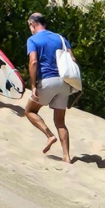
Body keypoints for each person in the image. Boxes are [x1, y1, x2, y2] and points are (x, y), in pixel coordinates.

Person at [24, 13, 75, 163]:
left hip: (47, 80)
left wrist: (33, 86)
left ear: (33, 24)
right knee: (60, 122)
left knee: (30, 110)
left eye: (29, 26)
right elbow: (72, 59)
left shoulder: (33, 40)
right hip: (64, 81)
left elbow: (33, 62)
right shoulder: (60, 38)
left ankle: (49, 135)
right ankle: (66, 156)